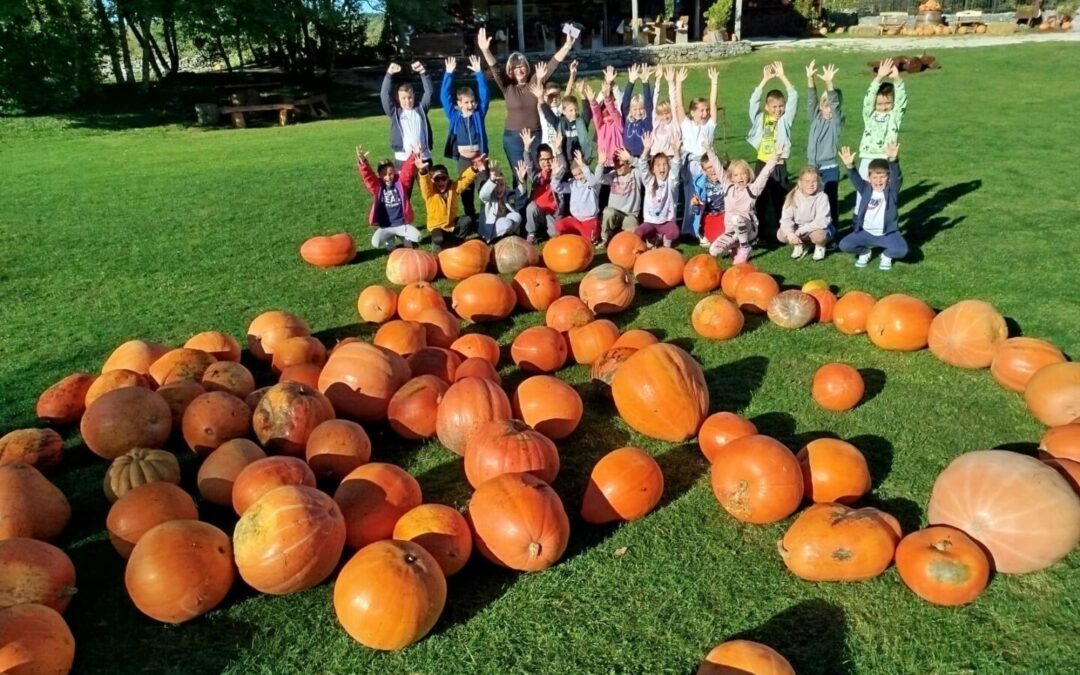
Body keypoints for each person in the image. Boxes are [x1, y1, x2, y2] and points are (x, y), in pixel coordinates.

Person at [477, 26, 576, 191]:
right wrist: (486, 51)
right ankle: (520, 210)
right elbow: (495, 69)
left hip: (535, 135)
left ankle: (541, 207)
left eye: (522, 66)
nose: (519, 70)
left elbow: (552, 65)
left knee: (539, 173)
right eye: (515, 68)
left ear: (527, 67)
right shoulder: (507, 87)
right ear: (510, 70)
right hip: (513, 138)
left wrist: (566, 46)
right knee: (519, 175)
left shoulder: (534, 83)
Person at [746, 61, 798, 244]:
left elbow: (794, 96)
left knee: (780, 199)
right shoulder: (760, 118)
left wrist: (783, 76)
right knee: (759, 198)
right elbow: (753, 102)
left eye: (780, 106)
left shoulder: (785, 120)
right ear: (767, 107)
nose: (778, 110)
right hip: (762, 163)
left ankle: (781, 232)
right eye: (774, 107)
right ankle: (758, 233)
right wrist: (764, 80)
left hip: (779, 164)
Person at [708, 144, 786, 264]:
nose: (740, 177)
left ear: (748, 175)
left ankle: (745, 248)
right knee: (714, 251)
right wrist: (710, 151)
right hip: (731, 230)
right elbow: (718, 168)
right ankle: (735, 245)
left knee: (737, 219)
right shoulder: (728, 187)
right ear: (731, 177)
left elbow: (765, 173)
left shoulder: (753, 189)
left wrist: (775, 156)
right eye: (736, 175)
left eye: (743, 174)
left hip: (749, 229)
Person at [838, 142, 906, 270]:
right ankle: (865, 252)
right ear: (869, 178)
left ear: (888, 178)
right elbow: (855, 178)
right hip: (866, 233)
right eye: (875, 177)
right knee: (844, 245)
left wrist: (893, 160)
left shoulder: (892, 192)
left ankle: (886, 255)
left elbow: (897, 177)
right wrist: (849, 166)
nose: (878, 181)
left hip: (887, 234)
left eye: (882, 177)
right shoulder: (865, 189)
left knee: (901, 250)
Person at [441, 56, 490, 224]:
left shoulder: (478, 114)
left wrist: (478, 73)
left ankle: (486, 216)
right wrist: (448, 73)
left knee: (484, 188)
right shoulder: (454, 116)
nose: (470, 105)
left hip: (479, 159)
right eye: (466, 102)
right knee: (465, 189)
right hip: (463, 160)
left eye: (472, 102)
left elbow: (485, 95)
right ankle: (470, 215)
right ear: (459, 103)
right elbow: (444, 97)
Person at [674, 65, 719, 241]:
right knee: (693, 197)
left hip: (707, 165)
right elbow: (678, 105)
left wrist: (714, 83)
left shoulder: (709, 126)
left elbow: (714, 104)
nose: (705, 113)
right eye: (701, 110)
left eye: (706, 110)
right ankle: (691, 230)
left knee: (705, 197)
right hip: (691, 166)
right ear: (692, 113)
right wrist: (679, 84)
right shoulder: (686, 124)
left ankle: (697, 228)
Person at [857, 57, 907, 211]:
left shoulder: (895, 116)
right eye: (879, 104)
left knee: (884, 192)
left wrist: (897, 79)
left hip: (885, 157)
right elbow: (868, 100)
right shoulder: (869, 114)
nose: (883, 107)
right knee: (863, 191)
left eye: (887, 103)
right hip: (868, 156)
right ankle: (859, 219)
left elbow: (901, 100)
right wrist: (878, 77)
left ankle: (884, 221)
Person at [416, 148, 484, 252]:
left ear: (448, 179)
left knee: (467, 220)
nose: (441, 181)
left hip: (451, 224)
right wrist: (423, 171)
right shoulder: (429, 193)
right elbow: (425, 184)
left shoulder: (453, 188)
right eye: (437, 179)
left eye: (444, 178)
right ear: (432, 181)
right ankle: (437, 244)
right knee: (439, 238)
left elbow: (464, 180)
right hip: (437, 227)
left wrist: (474, 168)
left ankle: (457, 243)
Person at [355, 145, 421, 250]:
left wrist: (414, 154)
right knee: (376, 243)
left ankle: (403, 237)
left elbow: (408, 170)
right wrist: (363, 162)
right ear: (379, 175)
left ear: (394, 171)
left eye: (390, 173)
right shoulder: (377, 186)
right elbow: (368, 177)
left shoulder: (400, 182)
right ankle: (390, 240)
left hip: (401, 224)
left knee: (417, 237)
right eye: (384, 174)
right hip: (386, 226)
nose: (388, 177)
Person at [805, 61, 843, 231]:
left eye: (830, 107)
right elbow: (811, 100)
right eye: (824, 106)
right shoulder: (815, 119)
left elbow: (834, 103)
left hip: (829, 168)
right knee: (812, 201)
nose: (828, 110)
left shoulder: (836, 122)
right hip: (813, 168)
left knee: (829, 201)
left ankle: (832, 230)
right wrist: (810, 78)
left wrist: (829, 83)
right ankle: (814, 231)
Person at [635, 132, 683, 248]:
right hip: (650, 222)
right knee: (637, 233)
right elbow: (642, 166)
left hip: (665, 222)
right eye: (658, 165)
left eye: (664, 165)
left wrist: (676, 151)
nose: (662, 168)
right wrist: (646, 149)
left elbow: (676, 166)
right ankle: (654, 237)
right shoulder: (649, 181)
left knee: (674, 231)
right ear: (653, 169)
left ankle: (665, 240)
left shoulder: (671, 181)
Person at [381, 61, 434, 169]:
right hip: (403, 158)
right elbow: (384, 95)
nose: (407, 101)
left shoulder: (421, 109)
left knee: (427, 186)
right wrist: (389, 74)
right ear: (398, 98)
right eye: (403, 98)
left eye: (410, 97)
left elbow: (429, 92)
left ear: (414, 96)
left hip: (423, 157)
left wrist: (422, 72)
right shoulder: (395, 113)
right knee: (403, 186)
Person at [517, 128, 564, 243]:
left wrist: (558, 150)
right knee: (531, 207)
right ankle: (531, 233)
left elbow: (562, 166)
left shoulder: (557, 173)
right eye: (543, 159)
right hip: (537, 213)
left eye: (549, 159)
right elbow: (529, 165)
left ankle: (544, 231)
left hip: (551, 214)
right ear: (538, 160)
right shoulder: (536, 176)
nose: (547, 162)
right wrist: (526, 149)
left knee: (556, 235)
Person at [778, 166, 833, 261]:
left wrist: (801, 231)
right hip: (799, 228)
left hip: (817, 228)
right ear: (800, 183)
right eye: (807, 181)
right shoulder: (792, 197)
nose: (810, 185)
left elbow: (821, 221)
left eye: (814, 181)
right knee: (781, 234)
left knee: (819, 236)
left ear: (818, 182)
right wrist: (791, 234)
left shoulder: (822, 197)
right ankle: (800, 245)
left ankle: (820, 246)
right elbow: (786, 219)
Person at [552, 150, 603, 242]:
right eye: (575, 175)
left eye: (580, 173)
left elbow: (594, 181)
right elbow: (557, 188)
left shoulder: (593, 184)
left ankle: (595, 230)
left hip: (589, 220)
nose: (579, 177)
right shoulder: (573, 184)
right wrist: (556, 176)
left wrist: (583, 167)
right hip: (576, 220)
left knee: (588, 239)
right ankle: (576, 234)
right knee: (559, 225)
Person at [600, 147, 644, 245]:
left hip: (630, 215)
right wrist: (600, 164)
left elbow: (646, 171)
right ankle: (605, 238)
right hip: (614, 214)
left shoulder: (636, 173)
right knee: (608, 212)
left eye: (622, 164)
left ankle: (620, 233)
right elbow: (598, 179)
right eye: (616, 164)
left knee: (633, 238)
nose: (618, 167)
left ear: (629, 163)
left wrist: (632, 159)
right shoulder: (613, 175)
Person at [689, 145, 728, 247]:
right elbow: (695, 211)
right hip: (710, 216)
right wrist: (695, 204)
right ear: (703, 170)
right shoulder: (700, 185)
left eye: (714, 166)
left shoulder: (727, 178)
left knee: (730, 232)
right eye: (708, 168)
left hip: (726, 214)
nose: (712, 170)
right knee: (716, 237)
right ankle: (704, 233)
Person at [477, 163, 523, 243]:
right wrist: (491, 180)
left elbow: (518, 193)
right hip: (490, 227)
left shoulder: (506, 192)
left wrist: (521, 181)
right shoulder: (488, 196)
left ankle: (507, 235)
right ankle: (493, 239)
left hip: (503, 222)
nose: (499, 188)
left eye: (501, 185)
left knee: (516, 216)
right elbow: (483, 195)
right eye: (496, 186)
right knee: (506, 223)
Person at [590, 67, 625, 169]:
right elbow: (596, 112)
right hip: (604, 163)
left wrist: (611, 84)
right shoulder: (600, 126)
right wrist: (605, 87)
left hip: (619, 162)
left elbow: (615, 109)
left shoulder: (619, 122)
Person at [621, 63, 654, 158]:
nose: (638, 112)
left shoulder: (647, 120)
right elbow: (625, 102)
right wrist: (631, 81)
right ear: (630, 110)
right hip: (628, 157)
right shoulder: (627, 119)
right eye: (634, 109)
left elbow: (648, 104)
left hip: (643, 157)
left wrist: (645, 82)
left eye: (641, 109)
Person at [650, 67, 681, 158]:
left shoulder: (674, 123)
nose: (665, 116)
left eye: (667, 113)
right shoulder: (656, 123)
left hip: (670, 155)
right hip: (655, 156)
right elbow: (654, 101)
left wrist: (670, 83)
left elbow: (673, 101)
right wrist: (658, 80)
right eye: (661, 114)